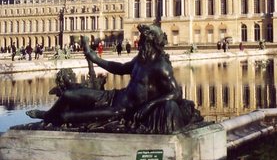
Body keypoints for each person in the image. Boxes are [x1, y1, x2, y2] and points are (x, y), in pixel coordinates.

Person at [27, 24, 199, 133]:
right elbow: (120, 69)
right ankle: (47, 115)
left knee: (66, 117)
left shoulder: (161, 66)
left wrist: (149, 105)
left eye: (142, 40)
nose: (139, 43)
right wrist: (95, 58)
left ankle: (52, 118)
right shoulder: (141, 60)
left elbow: (176, 93)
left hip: (121, 109)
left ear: (150, 42)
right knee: (67, 95)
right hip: (113, 96)